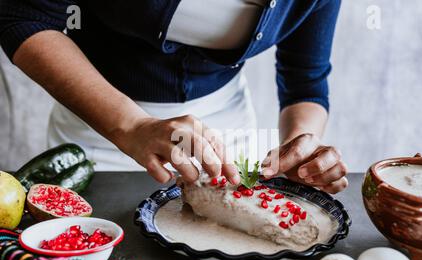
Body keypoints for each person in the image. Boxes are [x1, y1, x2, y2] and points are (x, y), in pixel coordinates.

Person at [0, 0, 348, 193]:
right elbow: (22, 15)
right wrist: (132, 126)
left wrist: (302, 149)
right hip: (101, 128)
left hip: (231, 135)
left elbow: (306, 80)